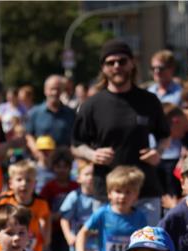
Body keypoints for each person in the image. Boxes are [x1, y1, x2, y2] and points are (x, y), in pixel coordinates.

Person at [72, 39, 168, 223]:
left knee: (149, 249)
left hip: (145, 191)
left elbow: (164, 135)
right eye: (111, 62)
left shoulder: (149, 100)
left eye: (122, 61)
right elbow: (76, 145)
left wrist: (158, 152)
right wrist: (92, 154)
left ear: (132, 64)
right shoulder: (91, 105)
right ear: (103, 68)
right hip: (107, 194)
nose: (117, 66)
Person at [0, 160, 51, 251]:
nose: (24, 184)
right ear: (11, 183)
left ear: (35, 183)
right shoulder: (4, 199)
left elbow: (46, 217)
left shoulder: (41, 203)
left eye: (28, 180)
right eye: (19, 179)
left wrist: (46, 237)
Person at [26, 76, 76, 157]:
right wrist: (37, 152)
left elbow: (75, 138)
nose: (55, 92)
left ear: (62, 91)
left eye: (58, 89)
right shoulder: (35, 112)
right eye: (52, 89)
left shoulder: (70, 113)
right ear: (45, 90)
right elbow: (28, 136)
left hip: (64, 164)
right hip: (42, 162)